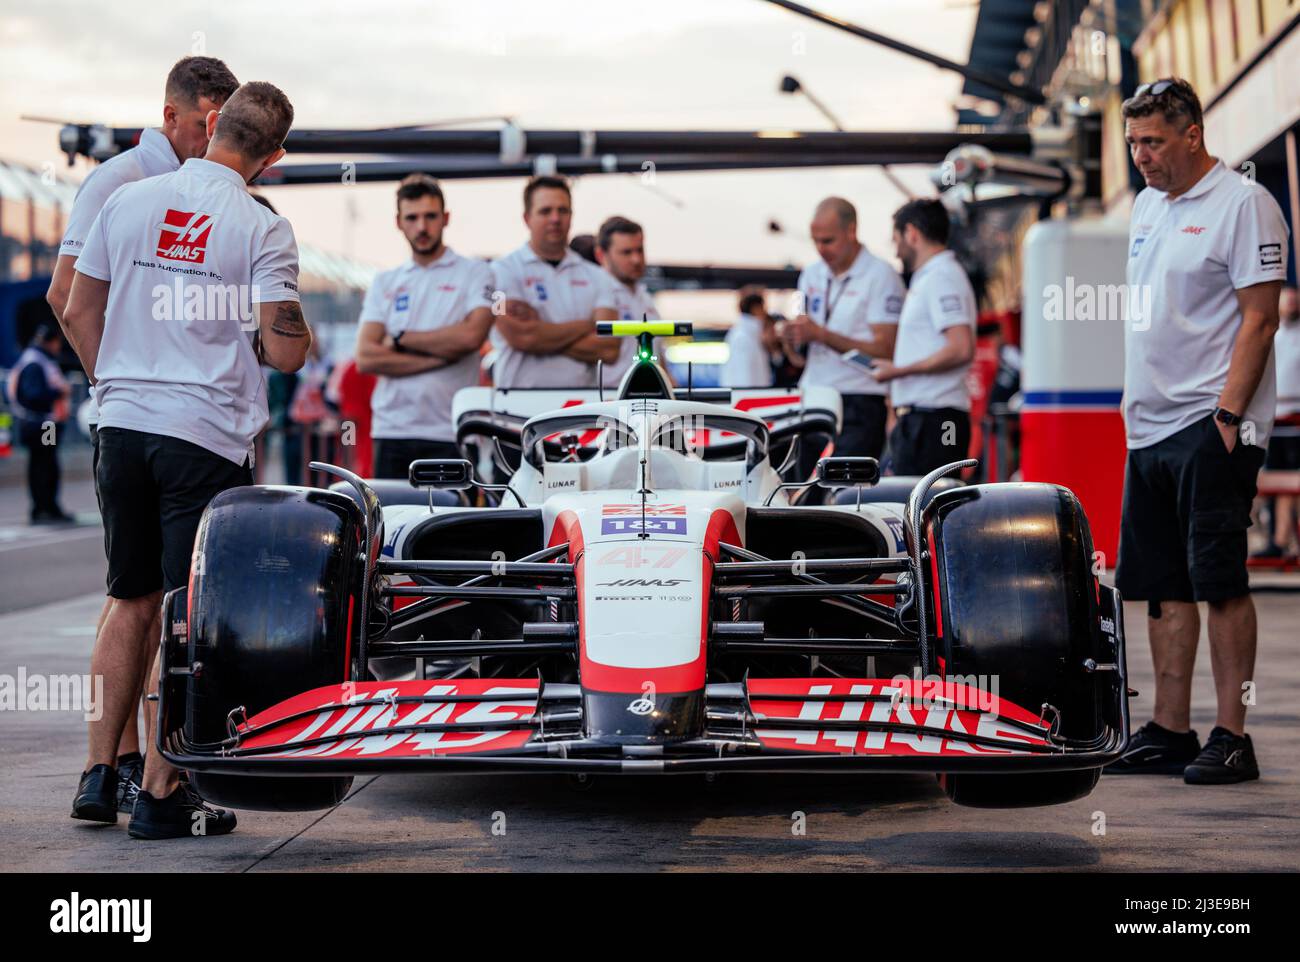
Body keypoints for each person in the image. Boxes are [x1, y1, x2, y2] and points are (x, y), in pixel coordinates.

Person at [62, 80, 308, 838]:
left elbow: (75, 307)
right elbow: (287, 350)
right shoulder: (262, 226)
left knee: (126, 596)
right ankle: (164, 794)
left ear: (211, 124)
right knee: (185, 613)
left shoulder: (128, 200)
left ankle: (100, 776)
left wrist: (118, 385)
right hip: (201, 438)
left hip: (122, 427)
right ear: (272, 156)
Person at [43, 55, 239, 812]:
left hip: (138, 424)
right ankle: (145, 773)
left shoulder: (189, 190)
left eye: (222, 127)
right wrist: (111, 377)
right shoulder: (120, 181)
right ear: (172, 116)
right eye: (202, 124)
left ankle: (111, 769)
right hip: (154, 421)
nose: (210, 138)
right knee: (155, 598)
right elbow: (67, 296)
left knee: (137, 595)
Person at [1107, 77, 1289, 784]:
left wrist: (1228, 418)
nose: (1142, 157)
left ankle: (1233, 734)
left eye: (1152, 141)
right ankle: (1171, 727)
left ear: (1192, 134)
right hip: (1148, 427)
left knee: (1219, 582)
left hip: (1210, 424)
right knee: (1161, 586)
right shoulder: (1149, 208)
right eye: (1132, 144)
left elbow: (1261, 319)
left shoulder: (1245, 204)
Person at [354, 175, 493, 477]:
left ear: (446, 218)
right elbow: (366, 357)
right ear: (398, 222)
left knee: (452, 524)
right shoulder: (385, 281)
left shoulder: (475, 273)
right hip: (392, 431)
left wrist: (401, 338)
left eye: (430, 216)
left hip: (451, 430)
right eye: (412, 218)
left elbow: (471, 338)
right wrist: (440, 356)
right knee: (392, 524)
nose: (422, 226)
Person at [783, 197, 904, 460]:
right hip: (812, 394)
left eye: (828, 240)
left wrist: (822, 335)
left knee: (844, 493)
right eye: (815, 240)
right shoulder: (811, 274)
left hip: (859, 398)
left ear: (851, 231)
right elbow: (801, 353)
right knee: (799, 489)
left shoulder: (881, 275)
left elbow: (886, 350)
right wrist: (792, 339)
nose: (820, 249)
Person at [871, 198, 977, 475]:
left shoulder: (941, 277)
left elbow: (961, 347)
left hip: (937, 421)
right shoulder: (931, 277)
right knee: (921, 511)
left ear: (912, 233)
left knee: (931, 511)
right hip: (925, 420)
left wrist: (898, 371)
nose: (895, 251)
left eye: (896, 240)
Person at [489, 176, 620, 387]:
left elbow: (610, 348)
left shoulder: (598, 276)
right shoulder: (498, 272)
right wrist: (588, 325)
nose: (555, 219)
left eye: (563, 210)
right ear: (526, 218)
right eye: (545, 211)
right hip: (516, 405)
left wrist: (541, 332)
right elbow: (522, 337)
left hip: (579, 408)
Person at [6, 325, 72, 522]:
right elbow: (34, 395)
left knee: (44, 464)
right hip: (43, 425)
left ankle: (46, 507)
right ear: (51, 341)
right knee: (45, 465)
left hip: (41, 424)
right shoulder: (36, 363)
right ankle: (45, 508)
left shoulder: (35, 359)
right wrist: (60, 392)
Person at [1255, 285, 1300, 559]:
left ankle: (1283, 537)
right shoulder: (1268, 336)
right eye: (1287, 301)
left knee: (1292, 483)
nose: (1291, 306)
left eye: (1295, 301)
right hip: (1272, 421)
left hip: (1295, 422)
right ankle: (1277, 538)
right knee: (1272, 482)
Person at [595, 215, 660, 386]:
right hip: (607, 401)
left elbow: (660, 360)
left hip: (651, 399)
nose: (636, 259)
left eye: (639, 250)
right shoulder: (592, 293)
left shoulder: (645, 297)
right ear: (601, 255)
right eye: (626, 252)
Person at [721, 287, 775, 388]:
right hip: (748, 398)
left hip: (753, 397)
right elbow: (744, 378)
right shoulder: (742, 337)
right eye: (763, 308)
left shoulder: (750, 335)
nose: (765, 312)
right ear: (756, 309)